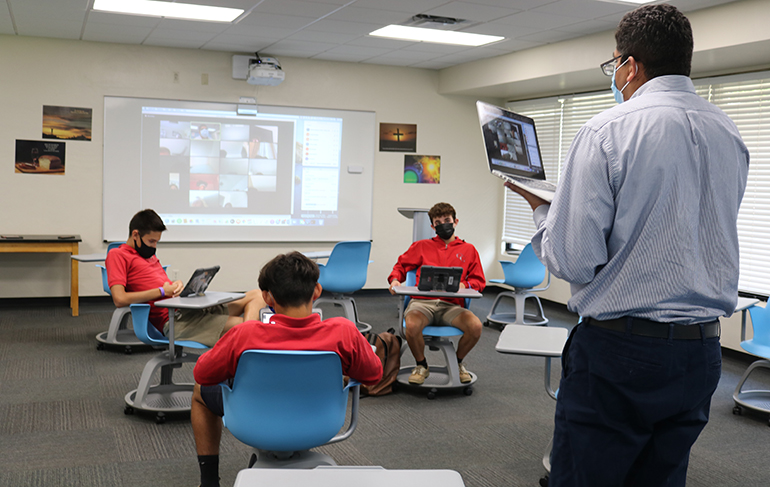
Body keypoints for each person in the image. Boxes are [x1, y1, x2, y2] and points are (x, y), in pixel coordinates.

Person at [505, 5, 749, 486]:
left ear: (631, 65)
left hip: (621, 352)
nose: (614, 74)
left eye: (614, 63)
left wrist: (542, 211)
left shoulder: (606, 130)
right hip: (702, 354)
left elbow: (574, 258)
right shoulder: (729, 132)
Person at [191, 251, 382, 487]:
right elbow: (373, 375)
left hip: (253, 419)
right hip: (321, 420)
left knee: (200, 392)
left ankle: (209, 482)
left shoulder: (244, 334)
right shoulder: (344, 332)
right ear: (317, 291)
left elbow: (203, 374)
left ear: (267, 297)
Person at [105, 209, 265, 347]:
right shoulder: (118, 255)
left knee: (257, 295)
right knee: (247, 327)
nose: (154, 247)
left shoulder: (148, 256)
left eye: (157, 242)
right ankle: (246, 340)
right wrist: (162, 291)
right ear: (135, 234)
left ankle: (245, 338)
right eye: (151, 241)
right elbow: (119, 299)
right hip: (176, 321)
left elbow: (160, 285)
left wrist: (176, 285)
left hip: (188, 308)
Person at [388, 202, 485, 385]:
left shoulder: (469, 250)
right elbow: (400, 266)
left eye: (447, 220)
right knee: (412, 324)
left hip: (452, 305)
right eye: (438, 222)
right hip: (422, 303)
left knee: (475, 326)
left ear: (455, 222)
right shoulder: (421, 246)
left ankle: (457, 363)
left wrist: (466, 284)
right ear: (433, 226)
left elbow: (479, 281)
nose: (443, 225)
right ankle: (421, 365)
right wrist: (394, 279)